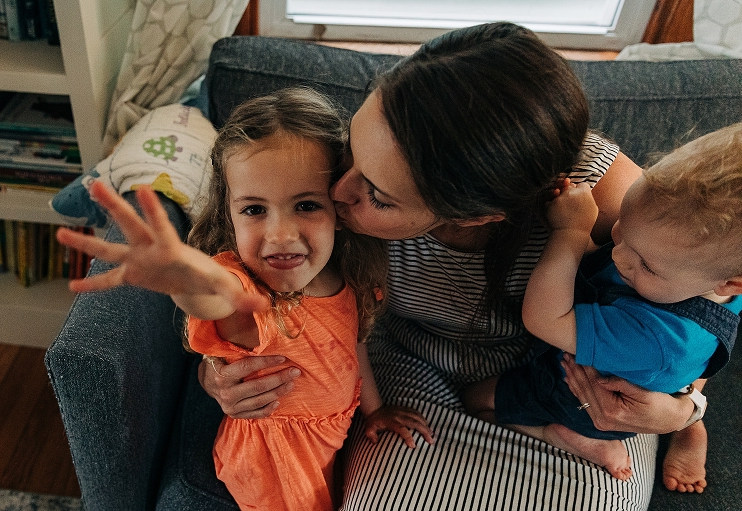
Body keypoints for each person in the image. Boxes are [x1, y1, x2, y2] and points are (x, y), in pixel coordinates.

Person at [198, 23, 708, 510]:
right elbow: (252, 295)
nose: (338, 191)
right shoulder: (360, 152)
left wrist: (684, 407)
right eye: (352, 151)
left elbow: (709, 299)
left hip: (556, 378)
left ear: (479, 216)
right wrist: (217, 374)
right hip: (408, 360)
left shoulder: (605, 199)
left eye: (378, 196)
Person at [57, 87, 433, 511]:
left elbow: (354, 346)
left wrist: (376, 410)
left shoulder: (346, 276)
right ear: (229, 214)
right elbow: (218, 294)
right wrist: (182, 274)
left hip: (331, 436)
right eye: (254, 210)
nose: (280, 234)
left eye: (306, 205)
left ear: (340, 209)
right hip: (274, 465)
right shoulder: (249, 291)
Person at [462, 123, 742, 485]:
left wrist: (572, 232)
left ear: (731, 282)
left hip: (585, 400)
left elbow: (544, 319)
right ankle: (690, 423)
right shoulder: (705, 271)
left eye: (644, 264)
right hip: (662, 380)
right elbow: (608, 271)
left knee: (474, 401)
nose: (620, 256)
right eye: (623, 226)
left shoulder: (656, 337)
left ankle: (566, 437)